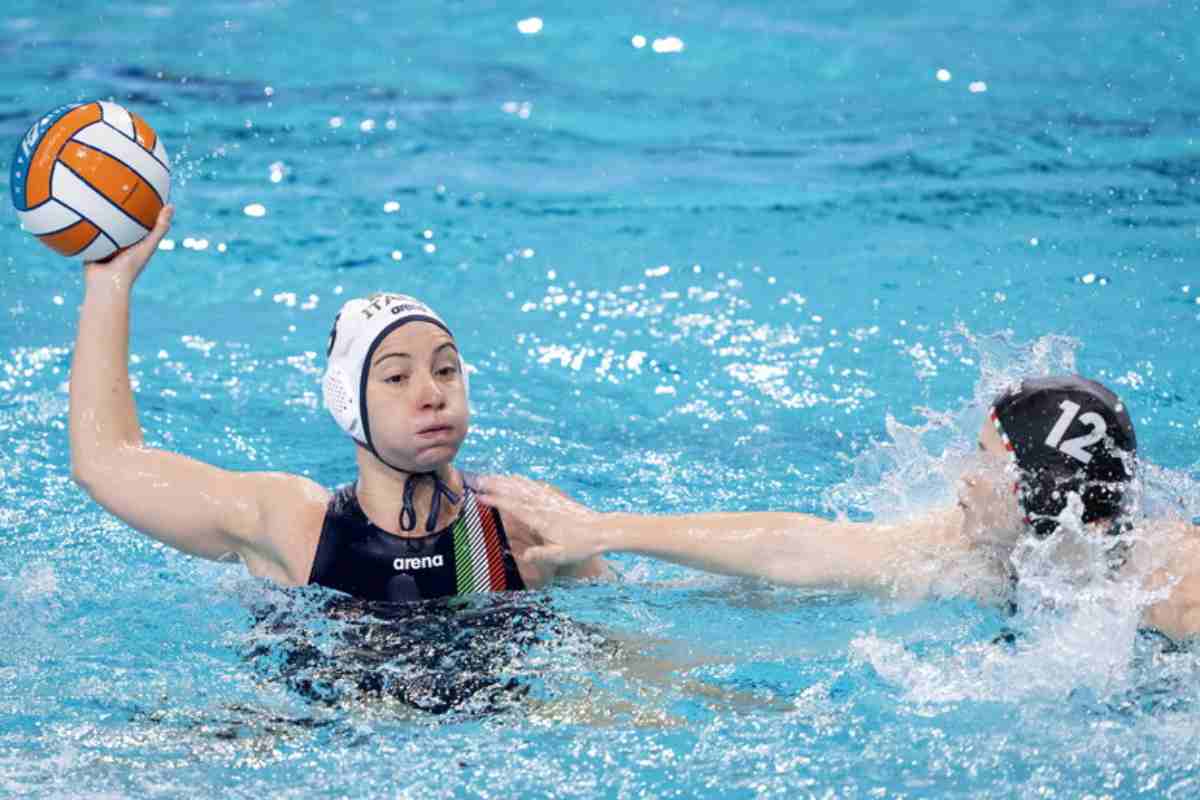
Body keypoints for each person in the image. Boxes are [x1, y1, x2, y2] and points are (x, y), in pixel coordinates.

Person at [68, 205, 608, 605]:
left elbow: (620, 638)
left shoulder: (525, 519)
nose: (432, 394)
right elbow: (105, 463)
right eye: (397, 377)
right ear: (346, 400)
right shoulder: (291, 525)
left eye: (445, 370)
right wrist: (110, 286)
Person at [476, 375, 1200, 641]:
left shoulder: (1172, 586)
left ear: (1042, 497)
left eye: (986, 462)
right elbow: (799, 548)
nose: (963, 478)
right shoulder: (976, 551)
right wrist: (606, 533)